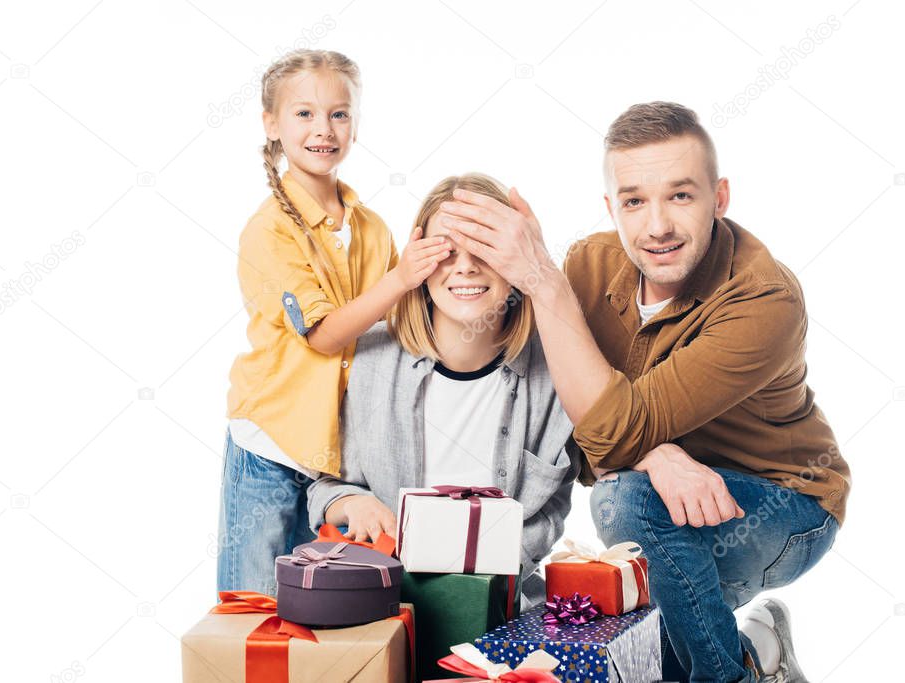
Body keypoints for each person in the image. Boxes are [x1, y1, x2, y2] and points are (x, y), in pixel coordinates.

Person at [440, 102, 852, 682]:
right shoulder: (589, 264)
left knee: (624, 501)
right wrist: (656, 454)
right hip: (666, 509)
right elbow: (574, 427)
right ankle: (760, 651)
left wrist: (541, 282)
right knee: (624, 655)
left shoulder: (765, 299)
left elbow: (609, 435)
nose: (656, 226)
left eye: (680, 196)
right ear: (612, 207)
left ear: (720, 198)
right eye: (634, 201)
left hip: (783, 506)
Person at [217, 49, 453, 598]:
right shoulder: (270, 231)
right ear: (271, 124)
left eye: (339, 114)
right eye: (304, 114)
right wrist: (401, 278)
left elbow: (396, 331)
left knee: (327, 608)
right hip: (273, 446)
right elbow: (324, 336)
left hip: (342, 462)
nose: (323, 129)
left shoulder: (371, 227)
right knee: (254, 605)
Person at [307, 173, 580, 605]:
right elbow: (327, 488)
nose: (466, 267)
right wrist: (354, 505)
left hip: (506, 603)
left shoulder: (559, 367)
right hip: (387, 601)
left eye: (485, 250)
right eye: (446, 251)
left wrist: (481, 588)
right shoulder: (370, 360)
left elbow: (552, 507)